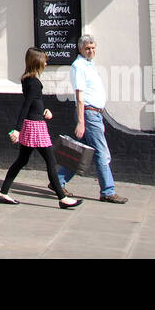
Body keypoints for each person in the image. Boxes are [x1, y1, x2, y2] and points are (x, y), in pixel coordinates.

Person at [0, 48, 82, 209]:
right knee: (50, 161)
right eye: (44, 60)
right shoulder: (34, 82)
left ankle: (3, 193)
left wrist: (43, 111)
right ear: (37, 62)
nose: (46, 62)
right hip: (35, 127)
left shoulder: (27, 79)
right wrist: (16, 129)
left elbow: (33, 104)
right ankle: (62, 198)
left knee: (22, 160)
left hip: (34, 122)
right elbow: (26, 104)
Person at [56, 34, 127, 203]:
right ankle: (108, 191)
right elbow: (79, 96)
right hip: (88, 114)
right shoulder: (78, 66)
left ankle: (57, 181)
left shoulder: (89, 65)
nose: (91, 51)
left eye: (93, 48)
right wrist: (81, 121)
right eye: (87, 48)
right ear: (80, 49)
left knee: (83, 153)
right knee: (101, 153)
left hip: (95, 113)